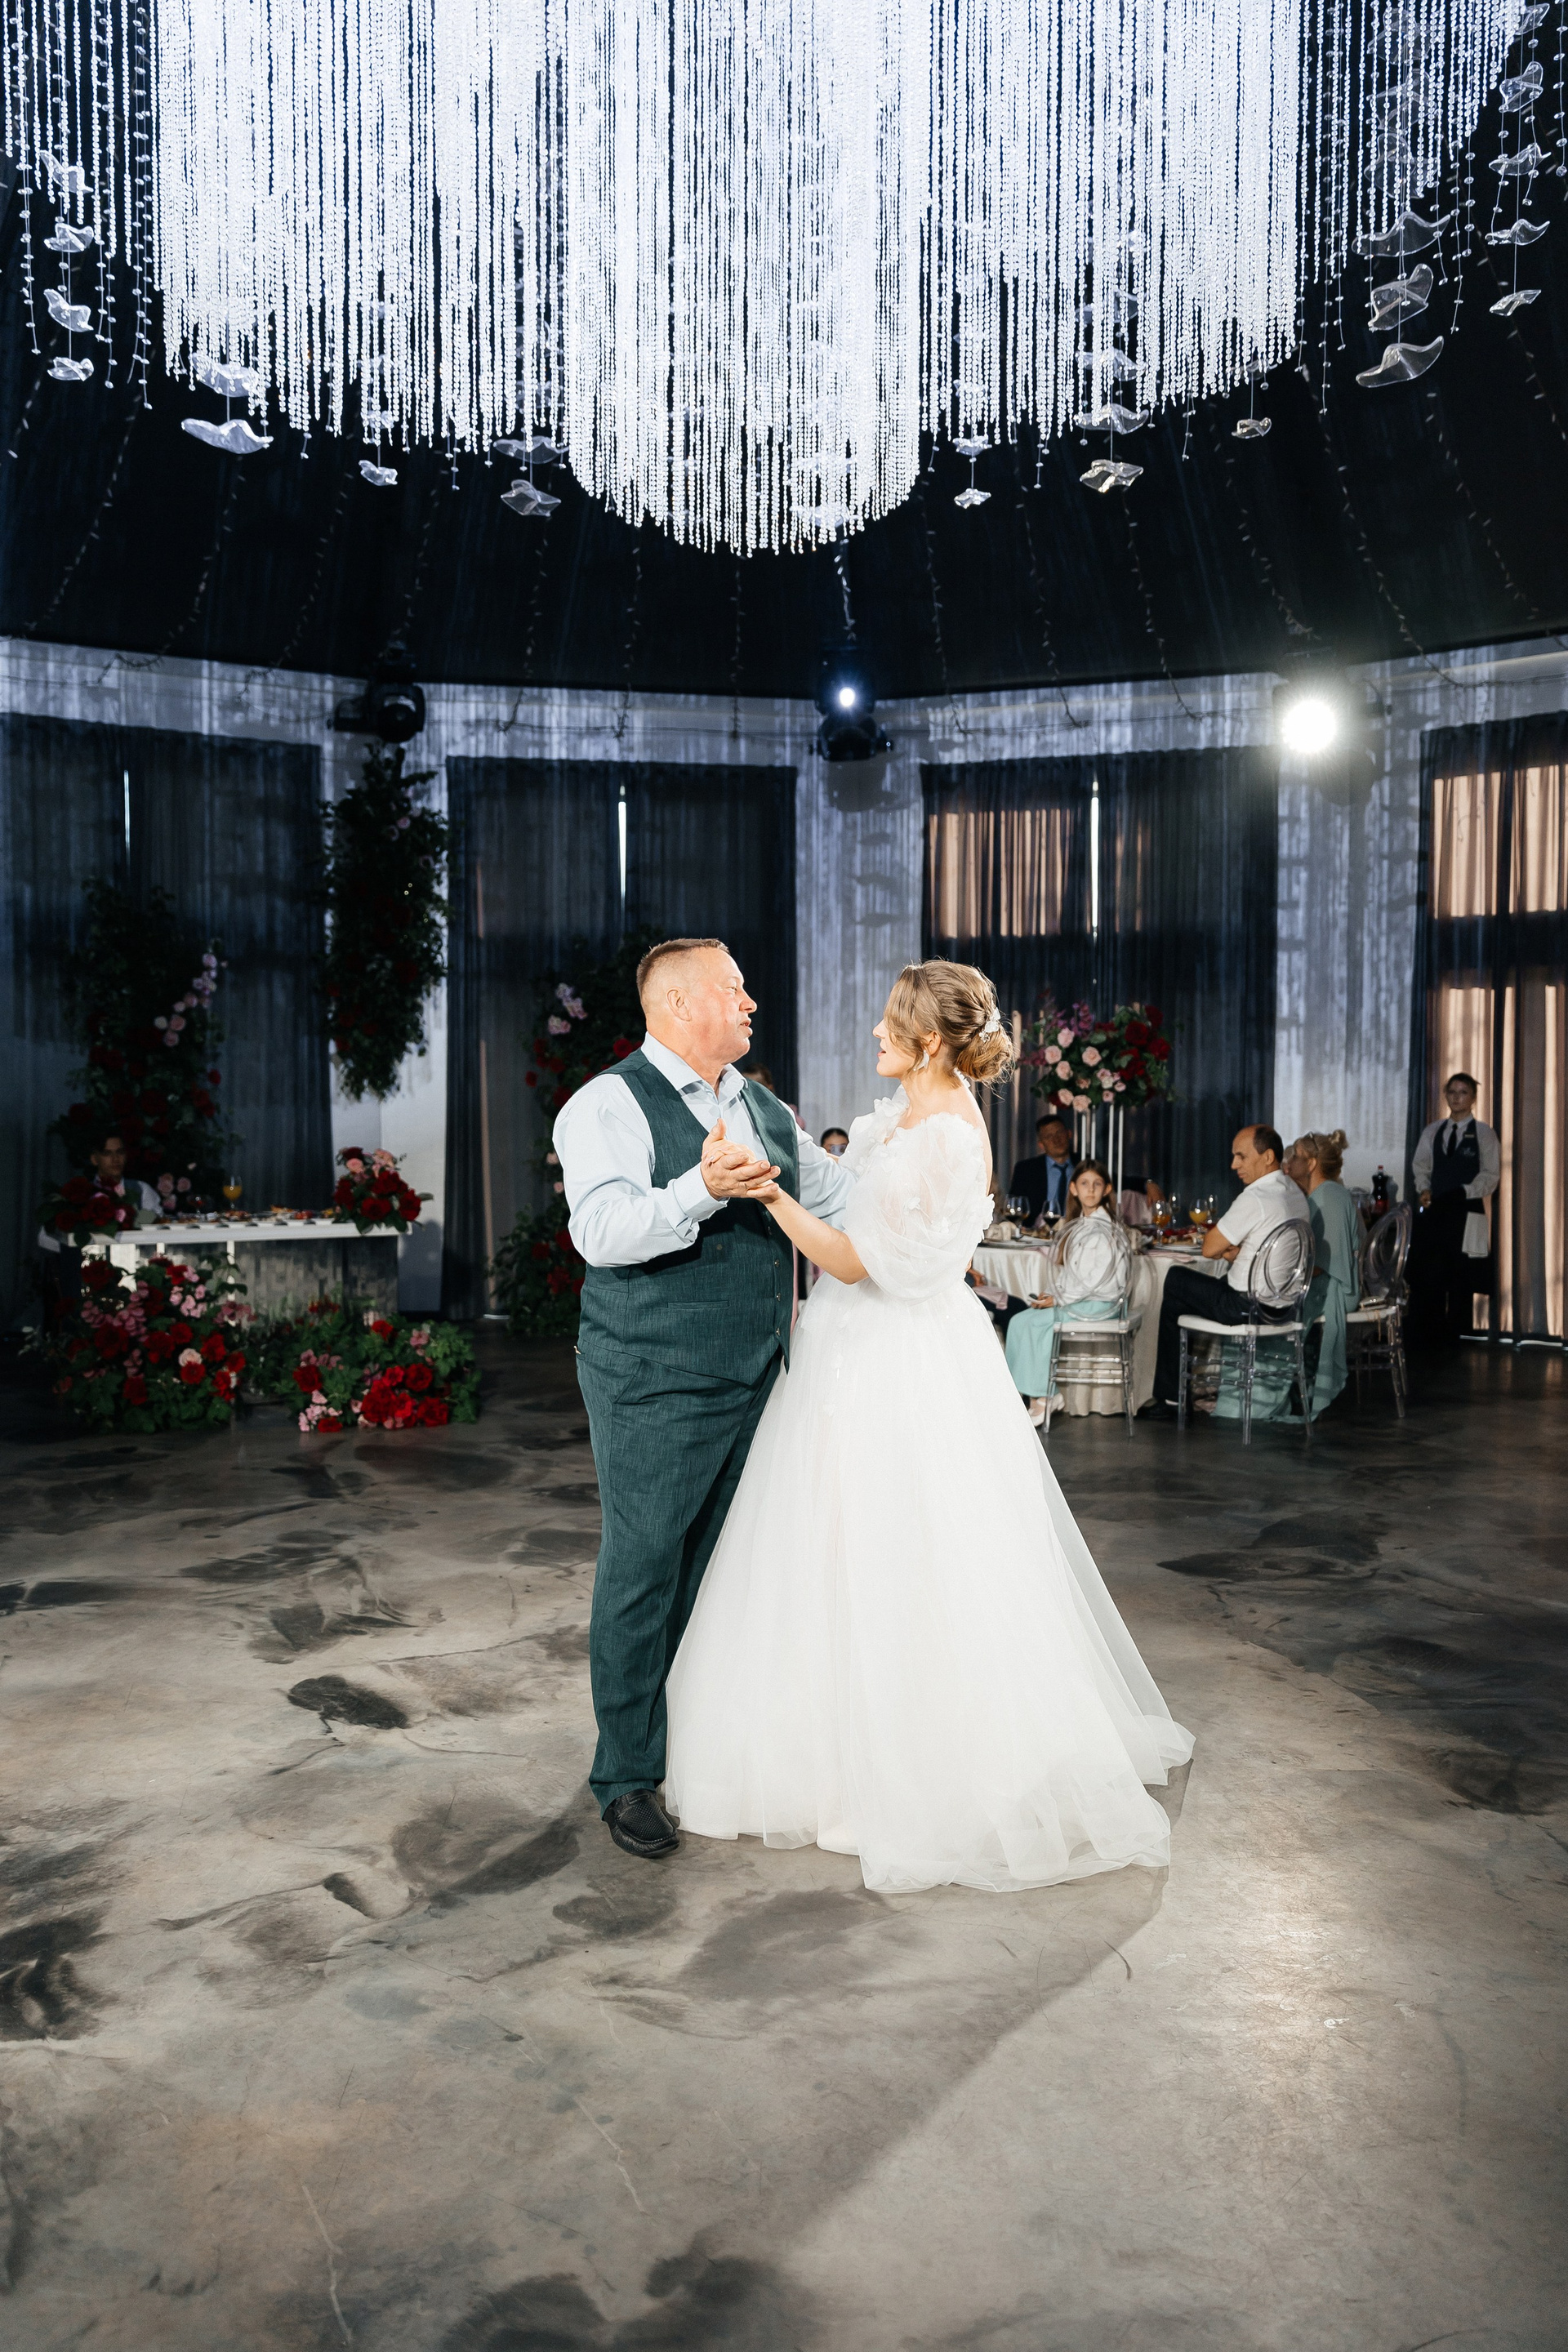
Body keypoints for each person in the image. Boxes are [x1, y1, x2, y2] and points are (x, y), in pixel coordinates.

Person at [664, 959, 1193, 1895]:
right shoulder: (900, 1117)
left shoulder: (948, 1136)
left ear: (932, 1040)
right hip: (847, 1349)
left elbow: (857, 1262)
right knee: (829, 1542)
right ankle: (824, 1745)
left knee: (900, 1546)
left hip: (896, 1359)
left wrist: (768, 1194)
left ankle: (907, 1759)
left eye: (889, 1023)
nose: (875, 1033)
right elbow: (849, 1192)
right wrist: (783, 1150)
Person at [554, 938, 854, 1861]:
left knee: (728, 1572)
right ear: (680, 1004)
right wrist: (699, 1187)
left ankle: (697, 1751)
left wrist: (935, 1183)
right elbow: (601, 1232)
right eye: (734, 988)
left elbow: (837, 1197)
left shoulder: (762, 1107)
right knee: (646, 1566)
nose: (751, 1002)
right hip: (655, 1373)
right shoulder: (607, 1105)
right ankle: (627, 1776)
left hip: (763, 1375)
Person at [1140, 1125, 1309, 1421]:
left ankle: (1172, 1398)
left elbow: (1208, 1248)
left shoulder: (1256, 1197)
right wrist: (1233, 1252)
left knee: (1175, 1279)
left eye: (1241, 1156)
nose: (1233, 1165)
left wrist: (1225, 1249)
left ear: (1268, 1157)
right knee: (1190, 1292)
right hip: (1284, 1307)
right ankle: (1180, 1393)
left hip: (1246, 1306)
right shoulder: (1294, 1192)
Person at [1223, 1129, 1359, 1422]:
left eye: (1295, 1157)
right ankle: (1244, 1391)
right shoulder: (1314, 1195)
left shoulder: (1330, 1196)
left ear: (1311, 1164)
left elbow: (1328, 1264)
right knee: (1262, 1296)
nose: (1288, 1163)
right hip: (1318, 1281)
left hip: (1330, 1288)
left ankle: (1254, 1400)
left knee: (1269, 1303)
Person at [1004, 1160, 1125, 1425]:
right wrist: (1051, 1293)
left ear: (1106, 1189)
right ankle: (1021, 1396)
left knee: (1036, 1324)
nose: (1090, 1190)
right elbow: (1073, 1275)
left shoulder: (1106, 1228)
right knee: (1018, 1321)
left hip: (1100, 1303)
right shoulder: (1080, 1224)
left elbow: (1098, 1281)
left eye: (1097, 1184)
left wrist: (1058, 1300)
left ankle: (1046, 1396)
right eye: (1084, 1184)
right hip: (1081, 1299)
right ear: (1073, 1189)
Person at [1409, 1072, 1499, 1347]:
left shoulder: (1483, 1133)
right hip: (1436, 1211)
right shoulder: (1433, 1131)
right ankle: (1430, 1336)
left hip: (1466, 1210)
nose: (1457, 1097)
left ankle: (1457, 1339)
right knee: (1431, 1272)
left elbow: (1491, 1174)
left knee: (1462, 1275)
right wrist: (1424, 1189)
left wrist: (1465, 1191)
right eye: (1452, 1092)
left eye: (1463, 1092)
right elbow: (1421, 1166)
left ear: (1473, 1098)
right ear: (1446, 1095)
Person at [36, 1125, 162, 1308]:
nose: (115, 1159)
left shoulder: (142, 1191)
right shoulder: (80, 1195)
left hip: (137, 1279)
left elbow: (160, 1231)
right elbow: (44, 1237)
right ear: (95, 1159)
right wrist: (78, 1247)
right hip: (91, 1283)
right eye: (107, 1153)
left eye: (120, 1152)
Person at [1009, 1114, 1076, 1224]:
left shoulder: (1084, 1164)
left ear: (1069, 1134)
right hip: (1037, 1232)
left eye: (1059, 1133)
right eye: (1049, 1136)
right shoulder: (1026, 1170)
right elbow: (1017, 1208)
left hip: (1077, 1229)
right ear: (1041, 1144)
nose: (1056, 1140)